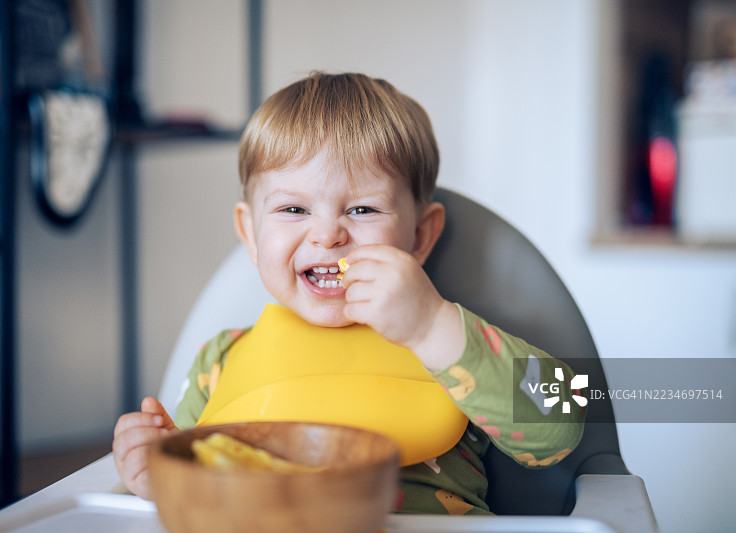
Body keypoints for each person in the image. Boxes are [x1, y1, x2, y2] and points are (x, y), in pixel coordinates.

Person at [113, 72, 585, 515]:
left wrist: (431, 327)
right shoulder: (219, 362)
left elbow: (561, 427)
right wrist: (160, 474)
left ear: (420, 236)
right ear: (251, 235)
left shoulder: (455, 344)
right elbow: (206, 498)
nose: (327, 235)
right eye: (294, 208)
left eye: (361, 209)